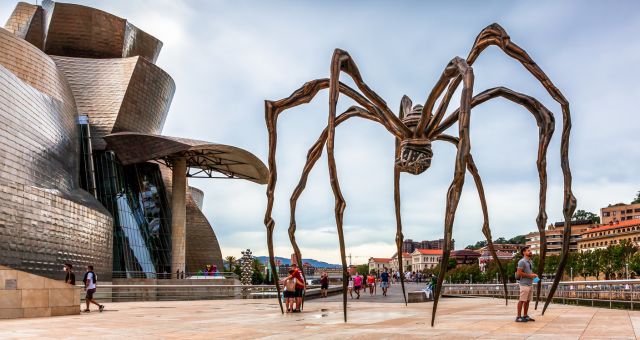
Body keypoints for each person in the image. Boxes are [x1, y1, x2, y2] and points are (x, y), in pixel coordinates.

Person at [515, 246, 537, 323]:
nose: (530, 252)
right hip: (524, 284)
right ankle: (518, 317)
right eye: (528, 250)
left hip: (530, 284)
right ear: (524, 252)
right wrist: (530, 276)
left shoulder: (530, 261)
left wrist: (533, 275)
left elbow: (529, 272)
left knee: (527, 301)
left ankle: (525, 315)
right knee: (521, 300)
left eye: (530, 250)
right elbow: (519, 273)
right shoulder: (522, 261)